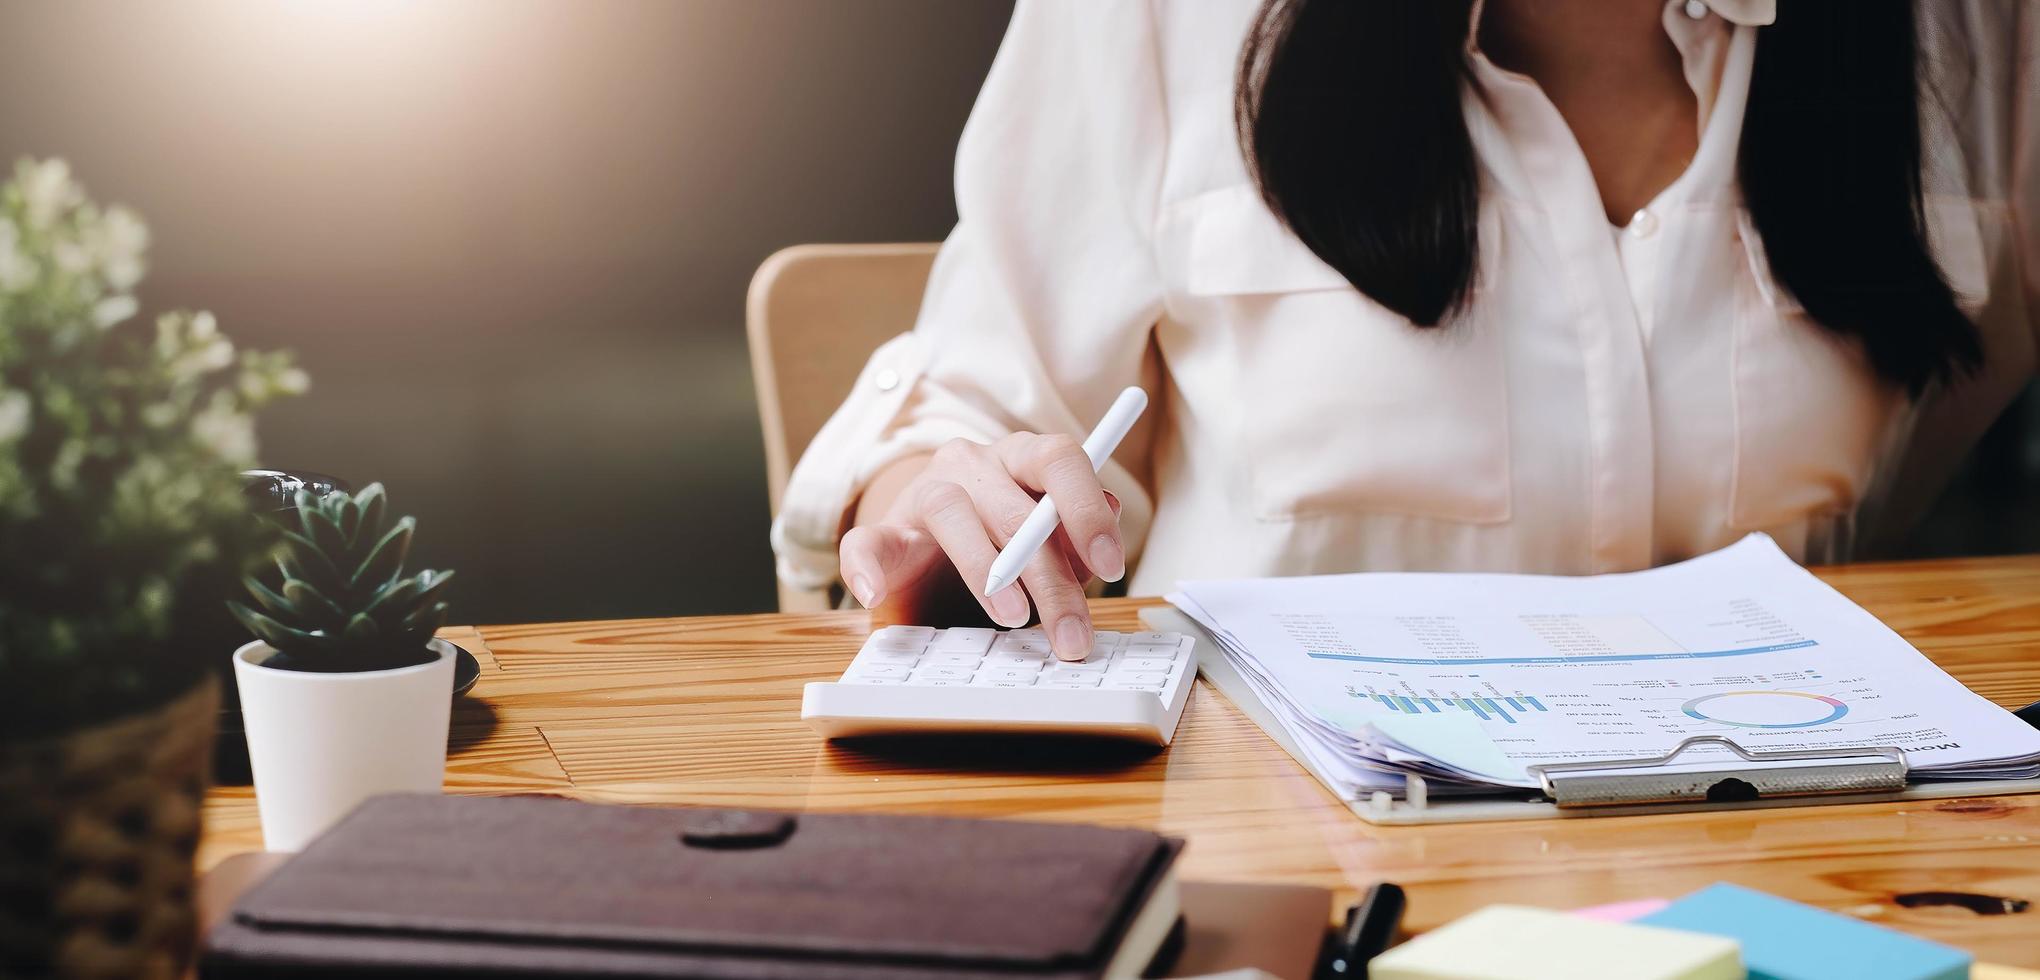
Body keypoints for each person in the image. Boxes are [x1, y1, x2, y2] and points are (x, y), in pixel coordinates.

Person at [773, 0, 2036, 661]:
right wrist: (938, 495)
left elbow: (1933, 452)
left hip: (1777, 860)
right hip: (1276, 867)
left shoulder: (1975, 38)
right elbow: (969, 418)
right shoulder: (1164, 15)